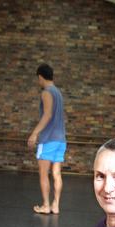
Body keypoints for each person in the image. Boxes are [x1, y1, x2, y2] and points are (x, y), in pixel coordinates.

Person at [27, 63, 67, 215]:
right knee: (56, 174)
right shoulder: (58, 93)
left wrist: (34, 133)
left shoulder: (46, 92)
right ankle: (55, 205)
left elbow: (48, 114)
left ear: (40, 77)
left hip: (48, 140)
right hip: (60, 140)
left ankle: (45, 205)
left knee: (44, 174)